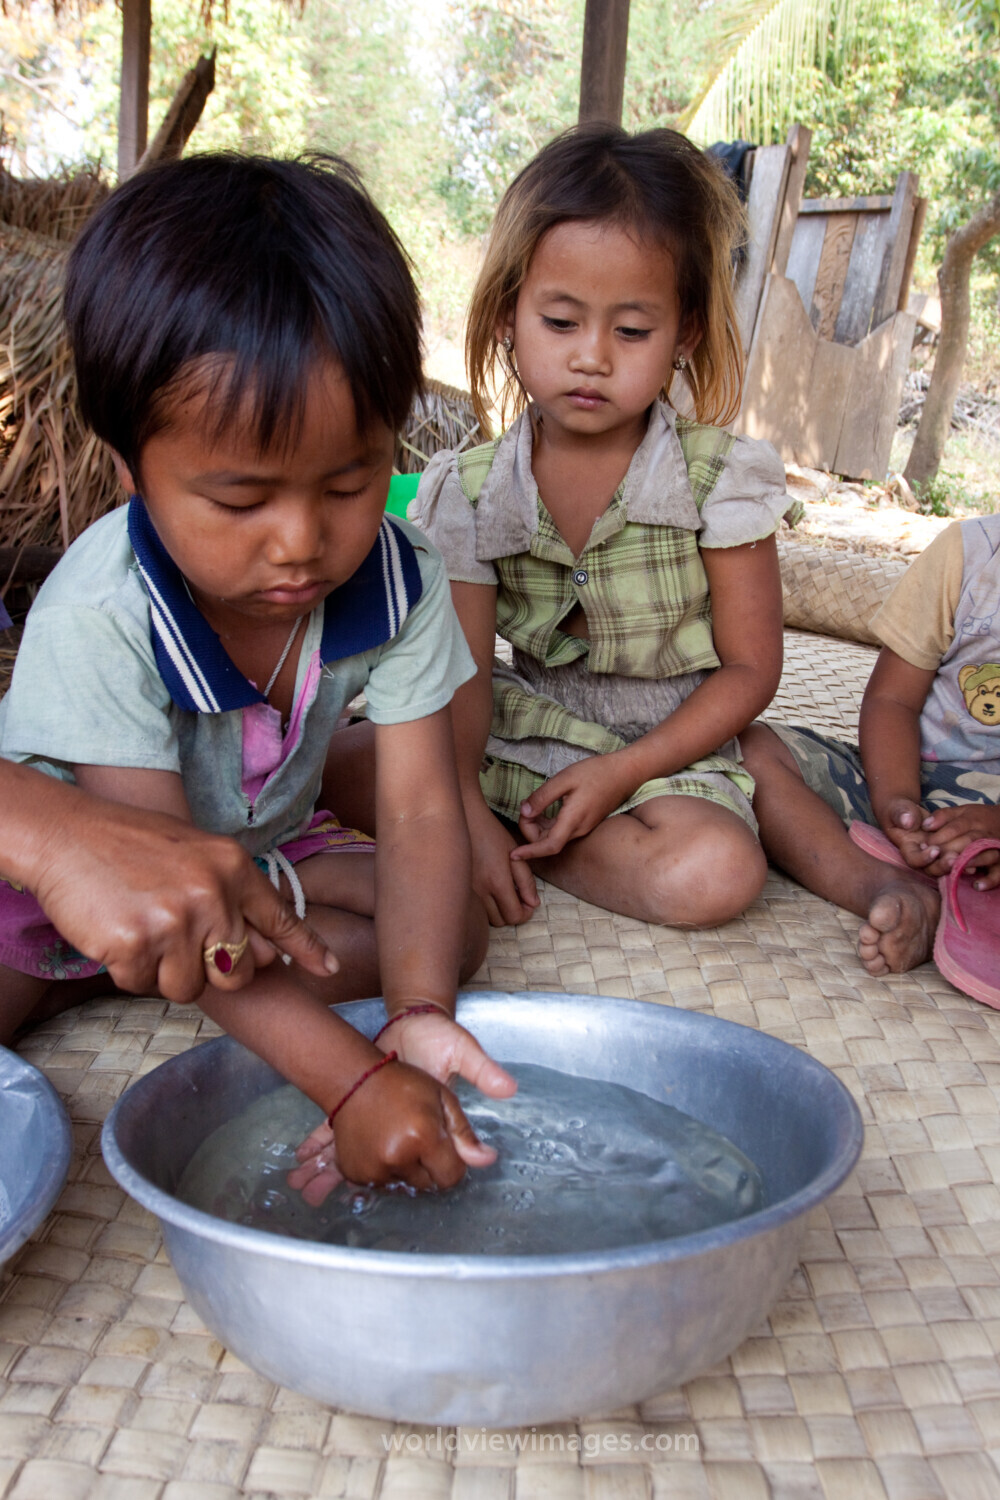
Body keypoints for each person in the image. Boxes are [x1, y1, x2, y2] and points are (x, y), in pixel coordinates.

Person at [0, 152, 515, 1197]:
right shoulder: (103, 615)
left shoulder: (398, 573)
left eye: (348, 480)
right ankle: (82, 980)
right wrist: (352, 1079)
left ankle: (272, 893)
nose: (300, 543)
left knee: (450, 933)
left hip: (244, 845)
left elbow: (421, 814)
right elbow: (161, 884)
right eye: (241, 501)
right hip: (73, 882)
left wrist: (416, 1020)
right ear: (132, 465)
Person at [410, 124, 787, 930]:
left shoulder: (722, 482)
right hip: (525, 733)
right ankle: (500, 825)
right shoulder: (466, 494)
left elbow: (752, 669)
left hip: (670, 748)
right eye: (561, 322)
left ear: (684, 332)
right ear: (509, 314)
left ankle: (532, 838)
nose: (592, 356)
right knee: (369, 761)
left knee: (715, 875)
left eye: (631, 331)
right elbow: (467, 685)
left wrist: (621, 775)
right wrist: (466, 810)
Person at [740, 515, 1000, 980]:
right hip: (913, 778)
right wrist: (897, 802)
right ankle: (892, 886)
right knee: (752, 754)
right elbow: (892, 700)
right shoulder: (969, 553)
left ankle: (964, 902)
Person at [0, 761, 337, 1001]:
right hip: (33, 879)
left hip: (259, 830)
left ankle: (135, 971)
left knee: (354, 954)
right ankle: (115, 975)